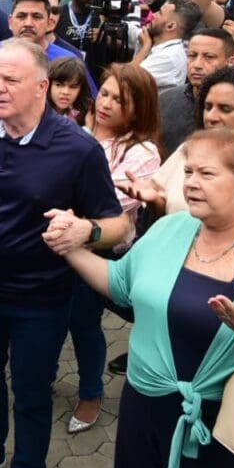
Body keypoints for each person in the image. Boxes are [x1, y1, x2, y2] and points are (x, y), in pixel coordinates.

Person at [0, 39, 127, 468]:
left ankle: (26, 464)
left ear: (41, 87)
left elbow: (119, 224)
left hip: (40, 300)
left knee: (32, 395)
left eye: (10, 80)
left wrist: (85, 230)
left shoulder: (78, 149)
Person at [46, 127, 234, 468]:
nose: (192, 183)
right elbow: (119, 283)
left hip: (222, 430)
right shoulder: (172, 228)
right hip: (142, 409)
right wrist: (70, 246)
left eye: (207, 173)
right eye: (188, 172)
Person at [67, 64, 162, 434]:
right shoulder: (80, 131)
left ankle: (91, 392)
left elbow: (104, 204)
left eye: (119, 100)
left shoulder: (143, 152)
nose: (105, 103)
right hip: (58, 241)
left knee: (84, 324)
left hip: (101, 250)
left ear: (139, 107)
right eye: (104, 93)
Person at [123, 66, 234, 217]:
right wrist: (155, 200)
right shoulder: (189, 149)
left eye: (225, 109)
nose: (211, 117)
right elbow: (172, 208)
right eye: (208, 107)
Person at [160, 28, 234, 154]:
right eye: (192, 56)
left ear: (230, 62)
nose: (197, 64)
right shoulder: (166, 99)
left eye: (209, 57)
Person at [47, 56, 93, 125]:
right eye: (59, 85)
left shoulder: (86, 115)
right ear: (48, 85)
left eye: (73, 87)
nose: (65, 92)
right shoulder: (36, 111)